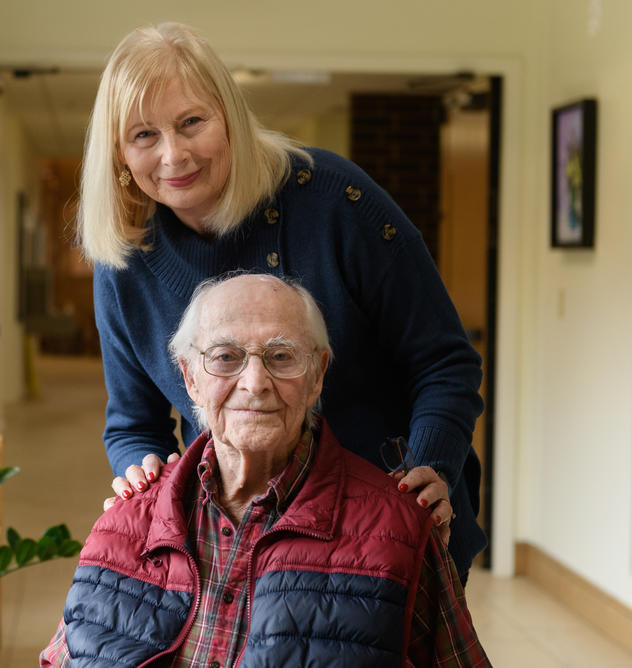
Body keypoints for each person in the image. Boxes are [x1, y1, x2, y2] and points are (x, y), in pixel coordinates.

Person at [80, 21, 486, 579]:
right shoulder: (124, 259)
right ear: (119, 154)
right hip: (237, 534)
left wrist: (431, 466)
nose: (173, 155)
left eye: (192, 122)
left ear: (229, 116)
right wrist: (143, 472)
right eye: (144, 135)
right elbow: (132, 424)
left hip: (387, 521)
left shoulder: (337, 201)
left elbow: (445, 360)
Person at [40, 274, 489, 667]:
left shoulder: (399, 532)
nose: (255, 383)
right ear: (190, 378)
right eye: (225, 357)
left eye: (281, 356)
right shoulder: (122, 526)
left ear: (317, 375)